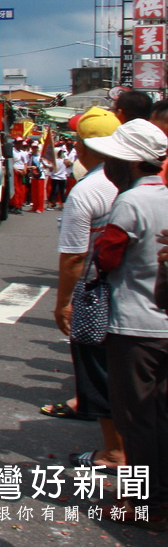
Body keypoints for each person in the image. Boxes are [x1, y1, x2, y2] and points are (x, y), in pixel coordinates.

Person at [88, 118, 168, 526]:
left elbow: (108, 257)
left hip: (134, 326)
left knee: (135, 421)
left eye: (115, 159)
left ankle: (143, 504)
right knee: (161, 417)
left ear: (132, 164)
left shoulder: (131, 203)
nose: (109, 166)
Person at [45, 108, 124, 475]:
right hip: (140, 294)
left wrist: (63, 304)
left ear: (85, 147)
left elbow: (75, 257)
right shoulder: (138, 182)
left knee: (98, 371)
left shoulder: (88, 190)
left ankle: (114, 451)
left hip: (98, 294)